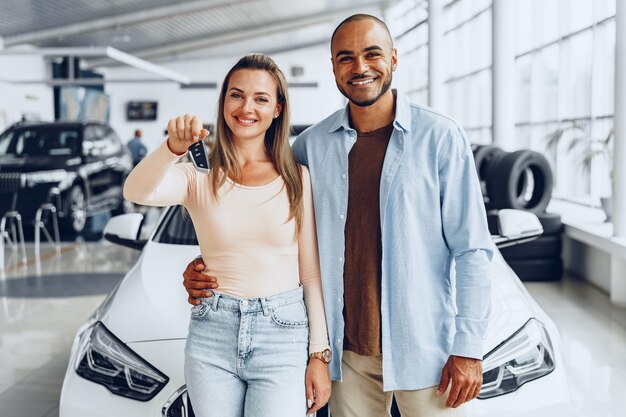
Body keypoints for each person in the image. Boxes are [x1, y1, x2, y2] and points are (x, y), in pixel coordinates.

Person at [182, 14, 493, 417]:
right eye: (345, 58)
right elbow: (258, 218)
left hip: (426, 353)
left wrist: (468, 347)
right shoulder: (310, 147)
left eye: (372, 54)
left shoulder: (440, 138)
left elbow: (473, 250)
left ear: (395, 59)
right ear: (333, 67)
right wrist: (205, 264)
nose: (360, 67)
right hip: (344, 360)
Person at [123, 54, 331, 417]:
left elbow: (310, 272)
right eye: (236, 95)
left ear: (278, 109)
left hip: (282, 335)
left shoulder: (298, 178)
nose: (246, 107)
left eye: (261, 98)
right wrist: (172, 148)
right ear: (223, 103)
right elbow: (136, 191)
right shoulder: (197, 176)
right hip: (212, 332)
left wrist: (318, 355)